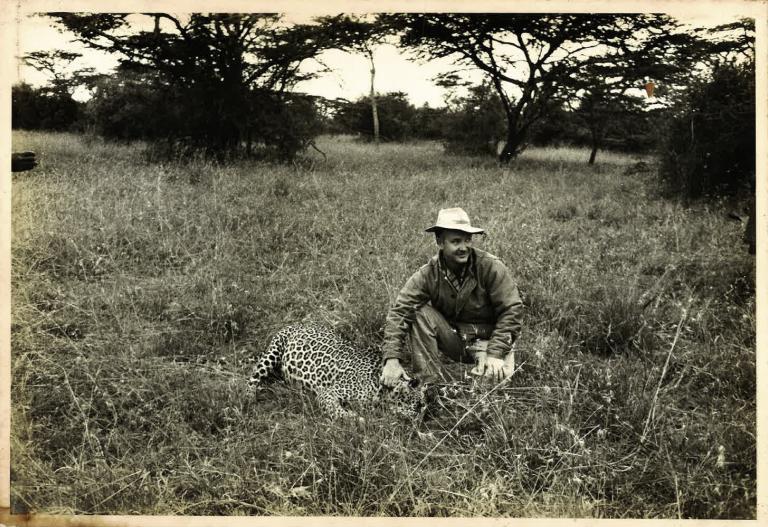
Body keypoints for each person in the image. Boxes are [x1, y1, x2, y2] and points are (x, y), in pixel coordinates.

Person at [380, 207, 523, 386]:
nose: (464, 247)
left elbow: (512, 310)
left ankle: (487, 367)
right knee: (418, 313)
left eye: (467, 240)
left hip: (491, 339)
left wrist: (496, 354)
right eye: (456, 241)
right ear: (440, 242)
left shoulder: (491, 267)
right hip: (455, 338)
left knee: (492, 394)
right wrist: (392, 359)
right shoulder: (428, 273)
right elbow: (400, 311)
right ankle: (429, 386)